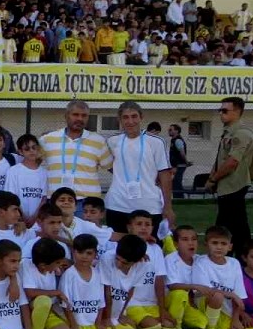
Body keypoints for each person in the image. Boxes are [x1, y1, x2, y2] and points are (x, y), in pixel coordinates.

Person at [103, 101, 173, 235]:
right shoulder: (112, 141)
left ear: (141, 117)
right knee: (119, 248)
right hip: (117, 204)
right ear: (120, 120)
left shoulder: (156, 142)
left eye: (134, 116)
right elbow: (108, 165)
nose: (130, 121)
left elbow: (165, 174)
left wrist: (168, 207)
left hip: (149, 205)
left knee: (150, 247)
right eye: (125, 117)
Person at [205, 97, 253, 257]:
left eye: (225, 110)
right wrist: (212, 177)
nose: (221, 113)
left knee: (230, 228)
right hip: (227, 186)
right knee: (234, 227)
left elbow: (232, 162)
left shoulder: (241, 134)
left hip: (235, 186)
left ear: (237, 112)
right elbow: (221, 160)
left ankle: (237, 259)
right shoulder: (229, 132)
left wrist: (214, 179)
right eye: (220, 110)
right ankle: (236, 257)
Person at [40, 100, 113, 200]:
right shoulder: (47, 139)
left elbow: (110, 167)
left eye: (84, 115)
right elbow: (31, 163)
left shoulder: (98, 141)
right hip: (56, 201)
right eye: (75, 114)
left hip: (86, 204)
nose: (80, 118)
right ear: (66, 116)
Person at [168, 124, 190, 198]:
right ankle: (180, 198)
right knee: (176, 182)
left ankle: (179, 198)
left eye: (171, 130)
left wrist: (186, 162)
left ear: (176, 131)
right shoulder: (173, 140)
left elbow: (182, 153)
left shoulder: (177, 140)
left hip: (179, 165)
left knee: (176, 182)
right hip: (176, 165)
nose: (169, 131)